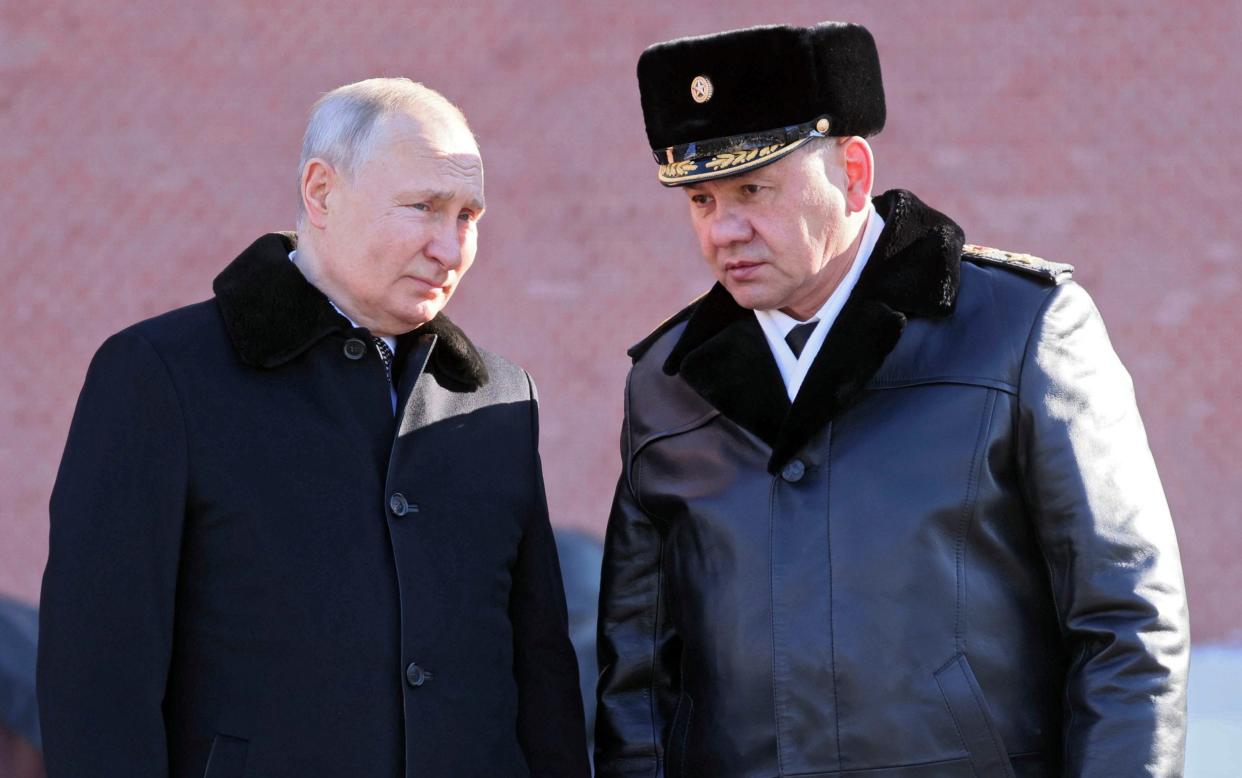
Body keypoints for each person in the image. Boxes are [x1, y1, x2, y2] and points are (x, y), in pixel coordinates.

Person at [594, 22, 1188, 778]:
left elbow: (1126, 626)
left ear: (853, 170)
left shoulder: (1021, 330)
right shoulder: (665, 382)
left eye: (753, 188)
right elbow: (638, 686)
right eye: (702, 199)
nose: (725, 231)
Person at [39, 77, 590, 777]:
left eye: (467, 216)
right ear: (321, 192)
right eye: (423, 207)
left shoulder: (499, 399)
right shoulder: (162, 377)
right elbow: (98, 681)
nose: (449, 249)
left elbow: (539, 677)